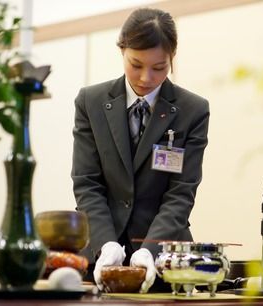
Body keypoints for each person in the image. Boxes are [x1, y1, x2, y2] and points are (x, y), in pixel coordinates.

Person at [71, 7, 209, 293]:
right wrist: (106, 243)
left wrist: (150, 250)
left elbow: (181, 193)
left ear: (172, 57)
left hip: (164, 262)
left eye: (159, 67)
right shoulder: (91, 102)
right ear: (122, 50)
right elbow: (87, 183)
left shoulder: (192, 111)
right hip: (99, 257)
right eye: (136, 64)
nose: (146, 77)